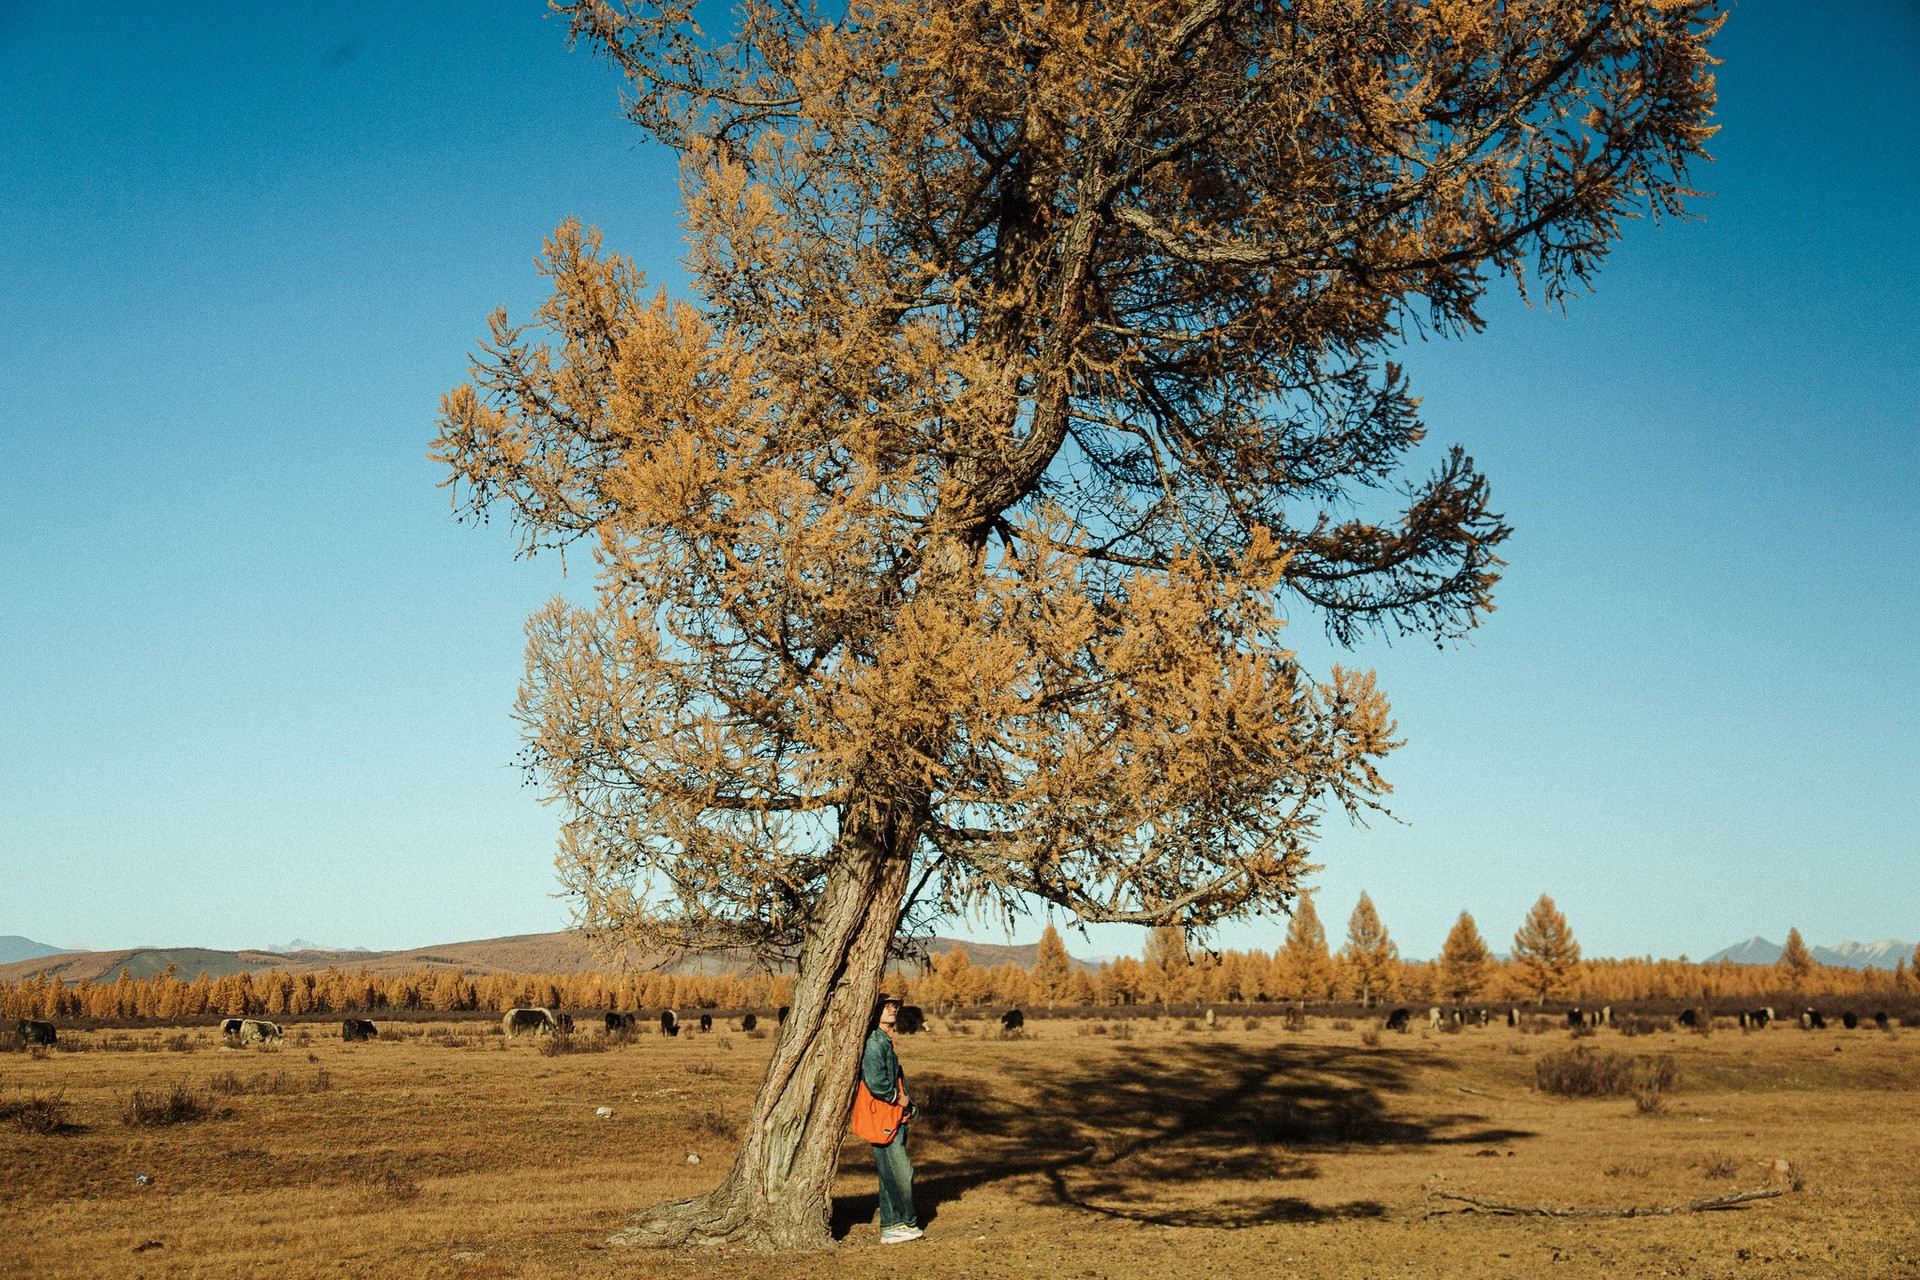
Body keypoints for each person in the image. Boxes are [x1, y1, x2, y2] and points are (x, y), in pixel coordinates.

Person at [860, 994, 922, 1244]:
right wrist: (899, 1098)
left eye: (894, 1006)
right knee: (900, 1172)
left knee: (890, 1173)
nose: (892, 1009)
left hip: (893, 1116)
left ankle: (892, 1225)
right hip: (884, 1116)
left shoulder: (884, 1040)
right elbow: (876, 1083)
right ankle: (904, 1222)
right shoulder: (875, 1042)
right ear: (874, 1012)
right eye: (886, 1006)